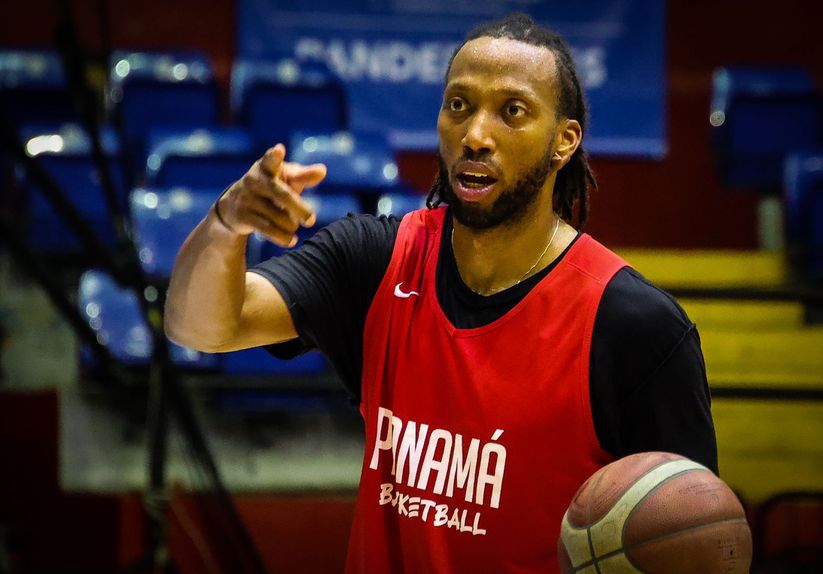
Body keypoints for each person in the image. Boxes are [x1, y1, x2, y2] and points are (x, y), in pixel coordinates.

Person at [165, 13, 718, 573]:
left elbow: (695, 541)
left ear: (564, 141)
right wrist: (225, 223)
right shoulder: (376, 261)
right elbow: (200, 326)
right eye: (459, 105)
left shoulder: (635, 327)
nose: (475, 135)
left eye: (512, 111)